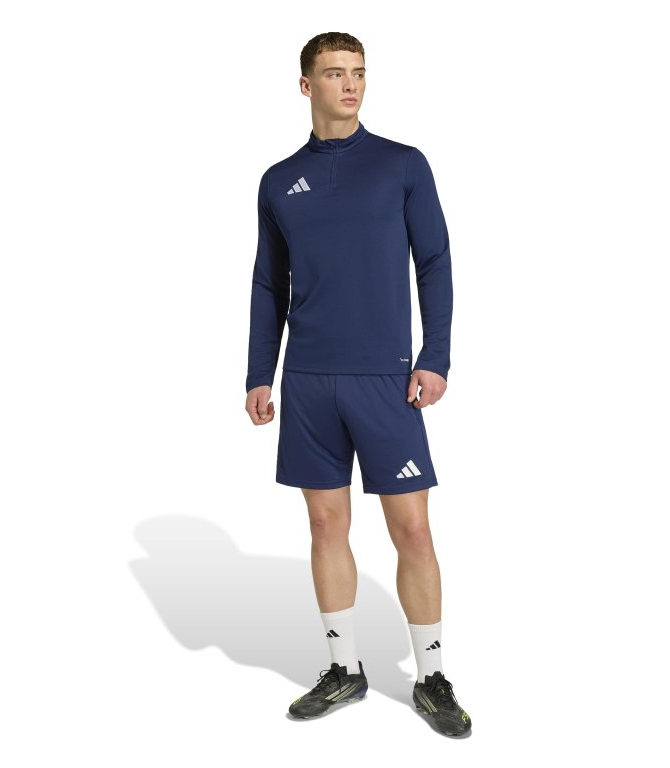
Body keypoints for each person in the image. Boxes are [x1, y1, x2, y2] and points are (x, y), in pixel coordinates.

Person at [243, 32, 471, 738]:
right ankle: (344, 668)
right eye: (335, 73)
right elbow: (267, 283)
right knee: (325, 525)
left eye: (359, 73)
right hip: (309, 379)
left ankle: (431, 676)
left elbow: (435, 261)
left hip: (386, 380)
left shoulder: (402, 165)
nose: (350, 84)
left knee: (413, 528)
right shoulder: (279, 180)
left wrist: (435, 357)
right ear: (306, 85)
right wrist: (258, 373)